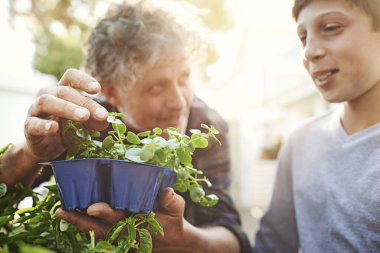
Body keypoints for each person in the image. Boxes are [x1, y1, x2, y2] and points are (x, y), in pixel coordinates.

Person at [0, 1, 251, 252]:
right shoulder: (79, 123)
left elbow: (233, 239)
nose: (179, 101)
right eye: (157, 86)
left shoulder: (206, 126)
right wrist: (30, 154)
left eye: (183, 78)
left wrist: (181, 239)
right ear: (112, 92)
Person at [253, 0, 380, 252]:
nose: (309, 51)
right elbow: (272, 244)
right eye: (303, 37)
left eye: (331, 27)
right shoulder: (300, 142)